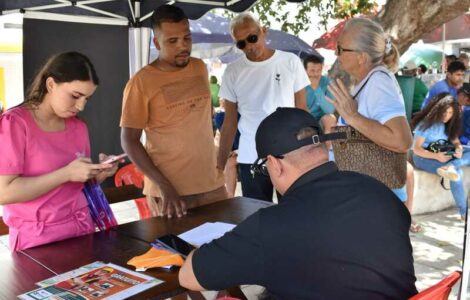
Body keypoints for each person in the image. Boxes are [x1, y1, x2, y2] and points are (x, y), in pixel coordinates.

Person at [179, 108, 418, 299]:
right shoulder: (379, 191)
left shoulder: (271, 227)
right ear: (324, 147)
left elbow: (188, 277)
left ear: (274, 164)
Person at [0, 52, 119, 251]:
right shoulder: (15, 124)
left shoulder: (78, 127)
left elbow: (75, 185)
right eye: (75, 96)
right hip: (37, 240)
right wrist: (65, 174)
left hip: (82, 230)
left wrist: (97, 174)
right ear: (51, 85)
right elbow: (4, 192)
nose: (80, 106)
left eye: (87, 99)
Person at [120, 5, 226, 219]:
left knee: (224, 248)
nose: (183, 46)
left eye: (187, 38)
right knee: (178, 252)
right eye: (172, 41)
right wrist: (164, 187)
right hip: (170, 194)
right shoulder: (141, 82)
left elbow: (203, 120)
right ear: (156, 43)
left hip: (212, 186)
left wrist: (219, 163)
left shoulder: (199, 68)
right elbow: (129, 140)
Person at [217, 12, 310, 202]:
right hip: (251, 156)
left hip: (288, 153)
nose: (249, 46)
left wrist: (307, 152)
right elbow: (229, 122)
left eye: (252, 38)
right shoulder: (232, 71)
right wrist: (219, 165)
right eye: (241, 43)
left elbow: (302, 112)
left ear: (263, 31)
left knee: (293, 212)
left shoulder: (290, 62)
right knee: (256, 216)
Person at [327, 18, 413, 208]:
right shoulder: (371, 81)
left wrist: (353, 117)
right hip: (368, 195)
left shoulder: (378, 83)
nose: (336, 53)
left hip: (376, 199)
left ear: (361, 57)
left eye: (341, 48)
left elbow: (402, 141)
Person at [411, 93, 469, 220]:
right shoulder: (426, 124)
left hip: (445, 156)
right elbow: (416, 149)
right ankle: (464, 213)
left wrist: (458, 149)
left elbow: (456, 142)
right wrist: (436, 156)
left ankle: (451, 166)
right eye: (445, 112)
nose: (447, 116)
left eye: (450, 113)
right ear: (437, 109)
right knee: (457, 174)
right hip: (424, 158)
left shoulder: (449, 124)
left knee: (466, 153)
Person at [303, 55, 336, 135]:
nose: (316, 74)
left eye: (319, 70)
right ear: (305, 70)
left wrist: (317, 89)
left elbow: (330, 110)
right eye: (312, 70)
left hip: (320, 120)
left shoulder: (327, 82)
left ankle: (327, 146)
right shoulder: (298, 82)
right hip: (302, 118)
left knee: (330, 118)